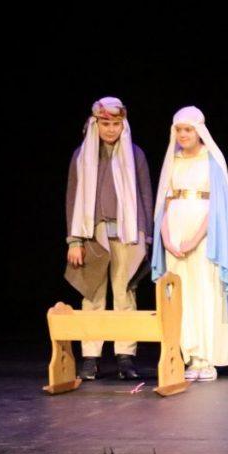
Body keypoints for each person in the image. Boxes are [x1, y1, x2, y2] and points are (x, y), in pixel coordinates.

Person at [65, 96, 153, 381]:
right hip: (93, 233)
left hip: (128, 233)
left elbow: (145, 195)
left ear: (123, 125)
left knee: (125, 293)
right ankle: (91, 358)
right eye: (105, 124)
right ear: (96, 123)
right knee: (93, 295)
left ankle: (125, 356)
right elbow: (73, 198)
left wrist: (146, 237)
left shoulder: (134, 154)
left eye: (116, 124)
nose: (111, 129)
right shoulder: (82, 156)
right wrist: (74, 240)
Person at [152, 106, 228, 382]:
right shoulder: (173, 160)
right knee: (181, 295)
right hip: (175, 234)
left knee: (205, 292)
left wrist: (195, 238)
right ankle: (190, 357)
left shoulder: (211, 160)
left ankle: (207, 358)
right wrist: (166, 237)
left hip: (204, 236)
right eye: (179, 130)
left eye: (188, 130)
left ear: (199, 131)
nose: (183, 135)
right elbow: (165, 202)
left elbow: (218, 207)